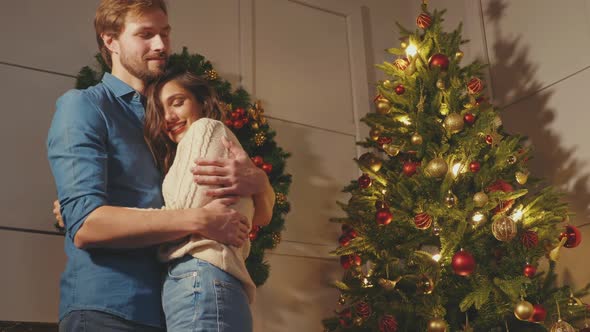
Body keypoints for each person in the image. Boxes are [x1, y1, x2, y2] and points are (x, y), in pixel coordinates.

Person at [46, 1, 274, 331]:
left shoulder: (176, 123)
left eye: (165, 34)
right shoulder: (85, 106)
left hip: (176, 306)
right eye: (146, 34)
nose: (161, 45)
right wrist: (199, 220)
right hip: (108, 308)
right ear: (110, 40)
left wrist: (261, 184)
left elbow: (253, 218)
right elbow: (86, 226)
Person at [145, 69, 257, 331]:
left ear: (201, 103)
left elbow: (182, 212)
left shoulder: (205, 129)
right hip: (209, 279)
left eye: (177, 102)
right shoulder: (188, 152)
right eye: (160, 111)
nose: (169, 117)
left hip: (200, 274)